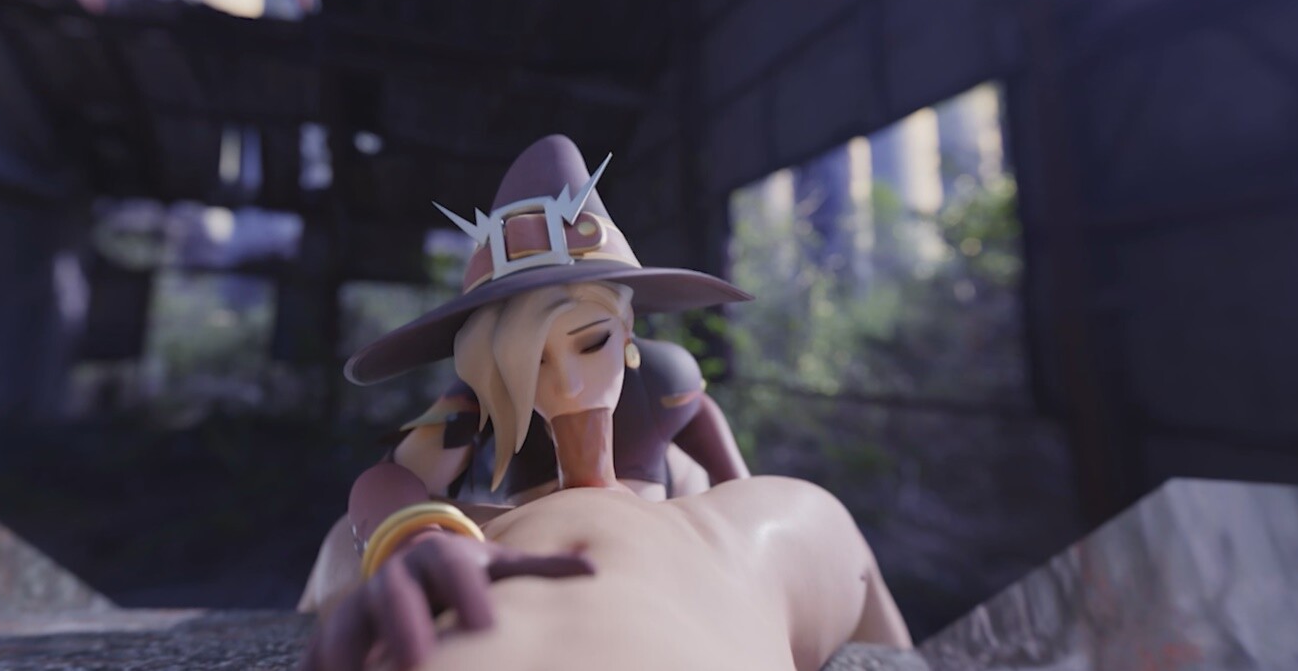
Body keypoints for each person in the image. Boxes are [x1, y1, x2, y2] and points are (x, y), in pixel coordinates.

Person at [300, 136, 911, 671]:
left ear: (627, 329)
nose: (566, 383)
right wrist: (413, 536)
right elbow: (391, 479)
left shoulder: (667, 378)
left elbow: (719, 452)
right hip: (536, 529)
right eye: (531, 361)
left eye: (591, 342)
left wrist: (733, 514)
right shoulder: (480, 400)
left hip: (671, 509)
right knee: (339, 547)